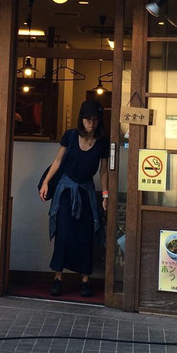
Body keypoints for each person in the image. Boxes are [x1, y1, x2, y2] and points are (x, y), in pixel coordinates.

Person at [38, 99, 109, 297]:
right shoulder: (70, 135)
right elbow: (58, 161)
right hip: (65, 192)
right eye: (88, 119)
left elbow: (104, 171)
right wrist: (46, 182)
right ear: (81, 119)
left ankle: (85, 280)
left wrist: (105, 195)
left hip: (86, 192)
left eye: (95, 120)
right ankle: (58, 278)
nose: (91, 123)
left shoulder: (102, 142)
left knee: (86, 235)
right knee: (63, 234)